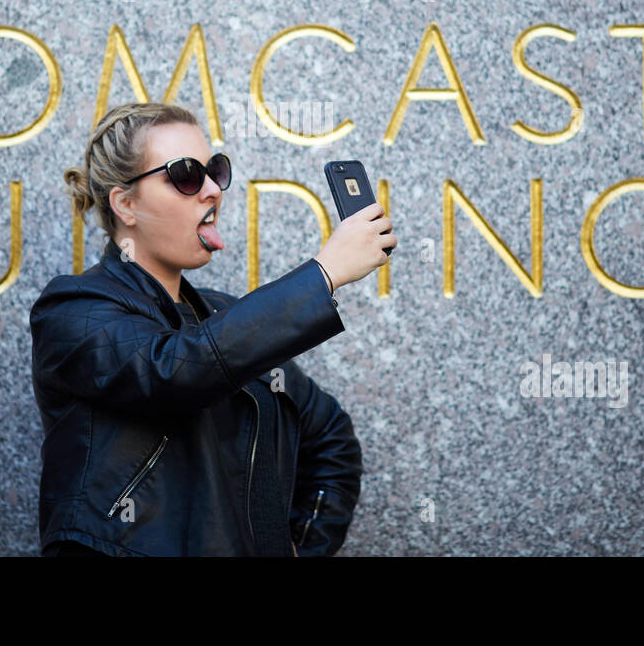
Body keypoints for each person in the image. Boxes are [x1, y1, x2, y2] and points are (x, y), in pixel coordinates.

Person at [31, 101, 395, 556]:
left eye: (214, 171)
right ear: (126, 204)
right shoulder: (73, 311)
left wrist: (300, 547)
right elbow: (173, 370)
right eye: (185, 175)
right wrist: (324, 274)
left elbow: (331, 440)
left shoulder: (226, 319)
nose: (211, 190)